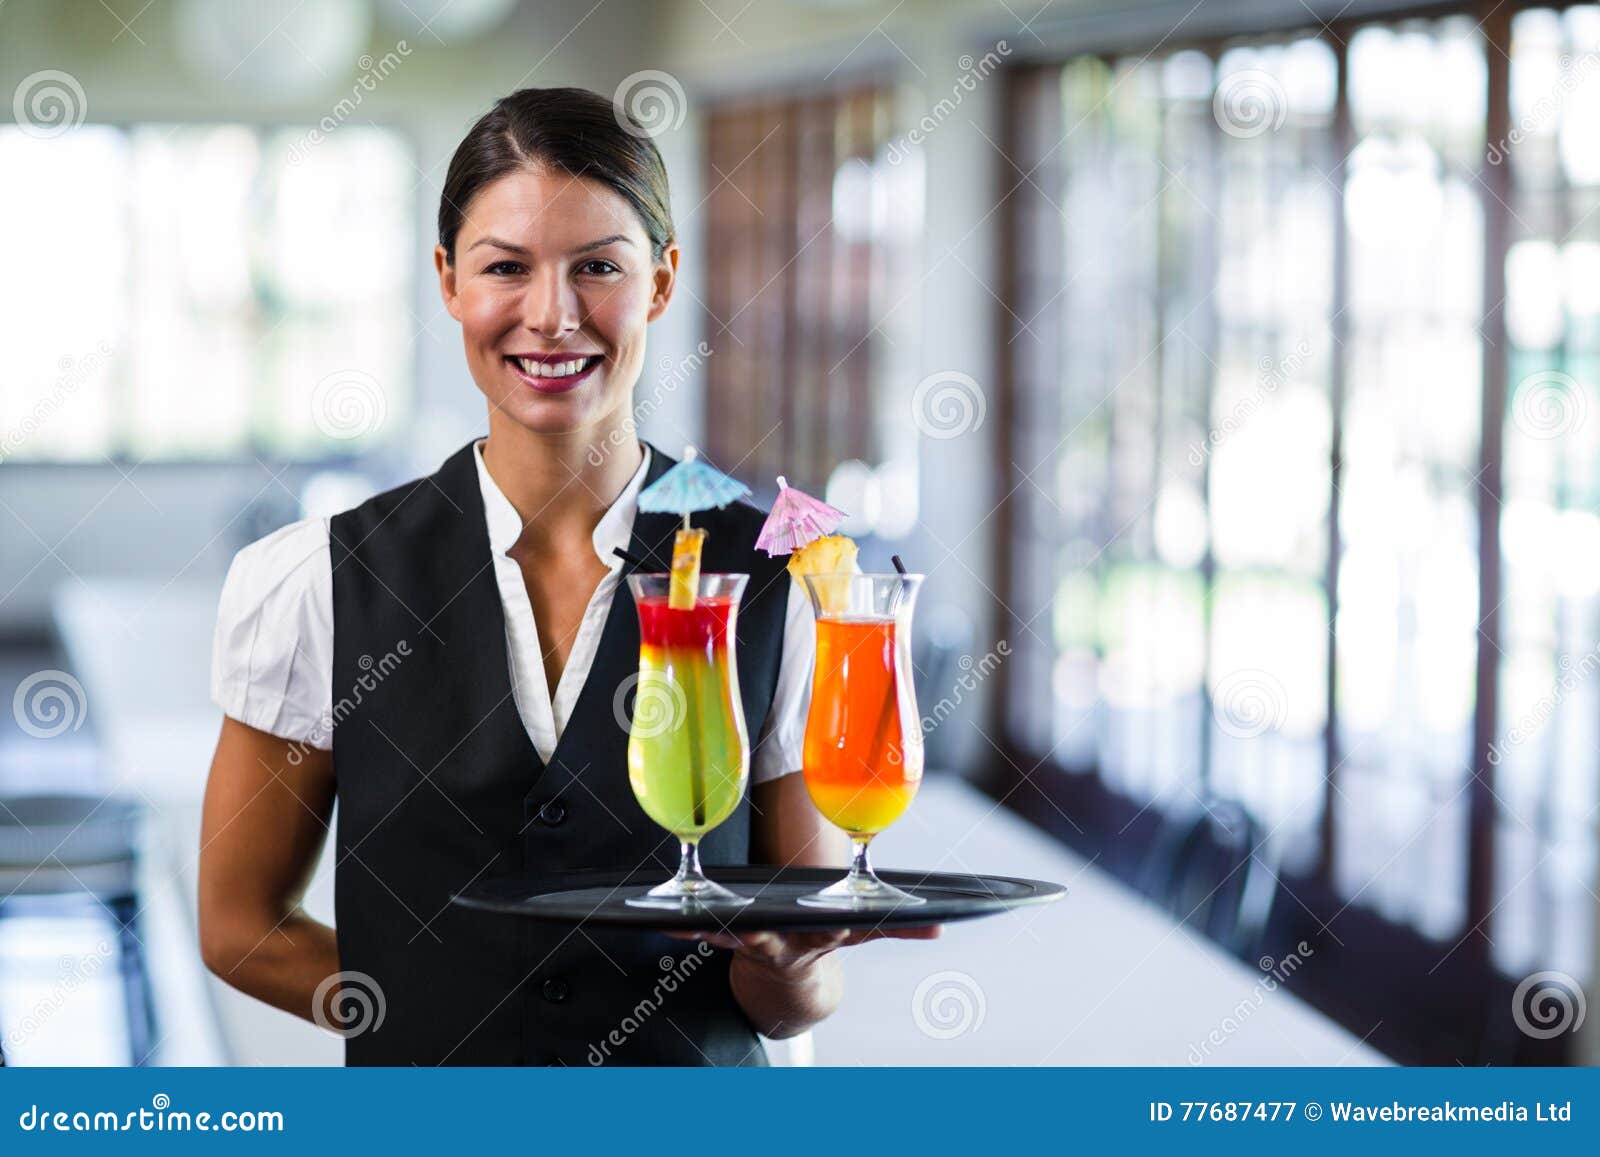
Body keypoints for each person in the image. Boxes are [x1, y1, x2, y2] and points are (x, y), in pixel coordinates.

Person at [198, 86, 934, 1066]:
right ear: (449, 280)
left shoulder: (782, 578)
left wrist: (793, 962)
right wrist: (417, 1020)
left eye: (598, 267)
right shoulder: (313, 580)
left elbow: (793, 991)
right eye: (506, 267)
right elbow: (239, 924)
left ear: (662, 283)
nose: (552, 315)